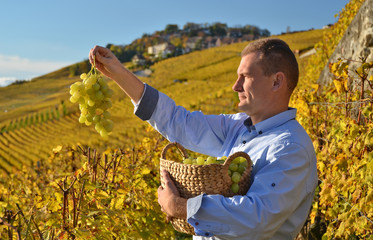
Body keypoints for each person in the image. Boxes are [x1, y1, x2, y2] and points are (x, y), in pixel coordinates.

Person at [89, 38, 318, 240]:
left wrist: (180, 207)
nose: (235, 86)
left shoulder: (290, 147)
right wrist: (117, 73)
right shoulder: (237, 127)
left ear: (277, 82)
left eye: (245, 77)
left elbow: (255, 219)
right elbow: (179, 122)